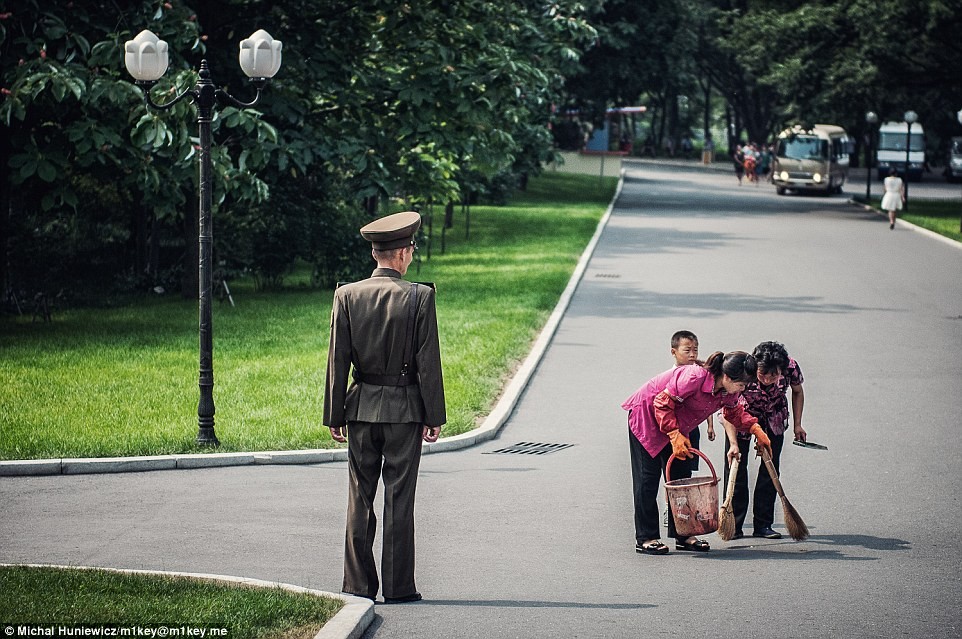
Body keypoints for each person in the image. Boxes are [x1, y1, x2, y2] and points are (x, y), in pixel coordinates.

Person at [323, 210, 446, 604]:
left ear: (377, 254)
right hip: (405, 412)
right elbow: (429, 363)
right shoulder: (420, 297)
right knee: (399, 499)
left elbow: (337, 359)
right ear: (402, 253)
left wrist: (334, 413)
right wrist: (434, 416)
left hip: (359, 410)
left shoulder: (346, 295)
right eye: (411, 248)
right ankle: (398, 587)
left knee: (360, 497)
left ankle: (357, 586)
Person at [622, 351, 772, 555]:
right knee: (647, 480)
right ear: (727, 377)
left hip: (678, 424)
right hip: (647, 419)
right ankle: (646, 537)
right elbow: (661, 403)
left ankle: (683, 534)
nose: (743, 389)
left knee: (682, 479)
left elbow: (733, 412)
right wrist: (673, 434)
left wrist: (756, 429)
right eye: (741, 385)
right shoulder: (694, 376)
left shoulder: (729, 390)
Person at [719, 341, 805, 540]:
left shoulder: (790, 367)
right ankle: (735, 524)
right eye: (762, 374)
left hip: (774, 416)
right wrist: (733, 443)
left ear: (781, 370)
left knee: (770, 469)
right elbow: (728, 409)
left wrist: (798, 425)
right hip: (740, 416)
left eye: (773, 375)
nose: (767, 379)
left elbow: (798, 391)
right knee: (736, 468)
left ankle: (763, 524)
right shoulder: (745, 370)